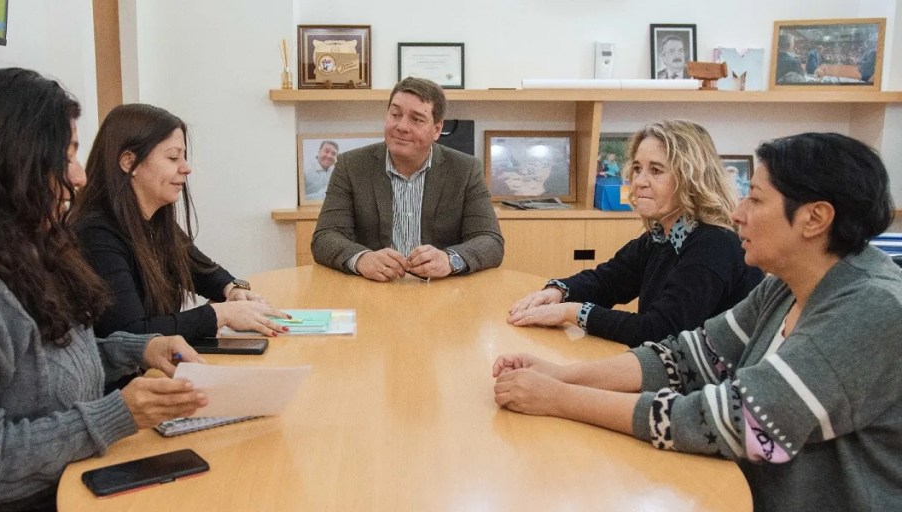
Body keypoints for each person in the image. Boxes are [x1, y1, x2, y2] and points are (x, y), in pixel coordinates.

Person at [493, 132, 901, 511]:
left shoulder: (873, 307)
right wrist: (563, 375)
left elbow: (735, 421)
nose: (738, 213)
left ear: (815, 218)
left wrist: (560, 398)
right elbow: (689, 357)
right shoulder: (785, 284)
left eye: (755, 200)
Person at [0, 68, 208, 511]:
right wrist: (117, 415)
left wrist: (140, 350)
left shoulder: (22, 238)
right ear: (17, 159)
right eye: (67, 155)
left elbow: (41, 366)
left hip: (56, 474)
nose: (80, 176)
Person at [508, 121, 762, 347]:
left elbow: (659, 331)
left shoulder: (714, 244)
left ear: (691, 178)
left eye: (656, 170)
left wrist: (571, 312)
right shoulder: (662, 235)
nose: (639, 181)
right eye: (638, 168)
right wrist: (558, 292)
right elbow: (609, 280)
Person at [72, 104, 288, 343]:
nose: (186, 168)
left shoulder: (154, 222)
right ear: (128, 162)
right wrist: (220, 314)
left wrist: (233, 290)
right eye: (173, 157)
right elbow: (132, 333)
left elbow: (204, 271)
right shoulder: (96, 233)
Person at [311, 77, 504, 281]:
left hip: (440, 292)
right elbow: (325, 238)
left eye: (417, 119)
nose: (402, 126)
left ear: (437, 129)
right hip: (373, 289)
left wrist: (450, 260)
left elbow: (490, 241)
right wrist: (362, 259)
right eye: (395, 114)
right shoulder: (351, 165)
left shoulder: (465, 169)